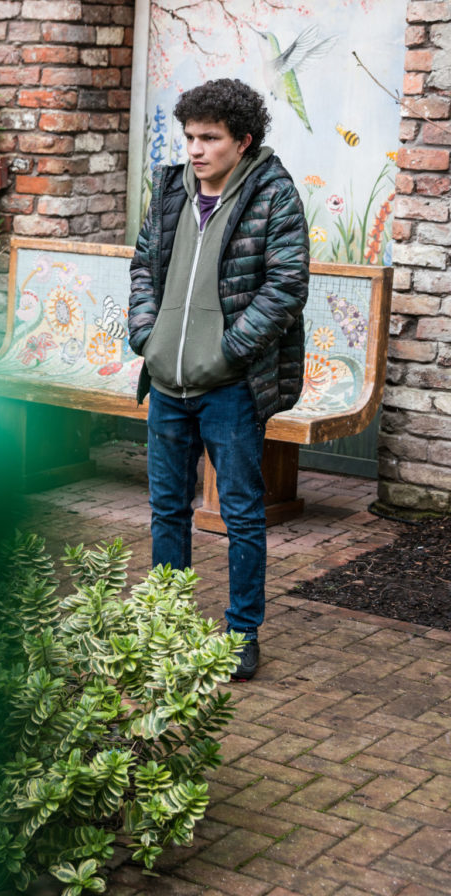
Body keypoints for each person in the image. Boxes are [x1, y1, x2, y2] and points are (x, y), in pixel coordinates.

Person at [126, 77, 309, 682]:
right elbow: (143, 268)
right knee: (167, 510)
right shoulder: (172, 192)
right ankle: (166, 620)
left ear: (243, 140)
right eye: (189, 137)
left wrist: (230, 353)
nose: (196, 150)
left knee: (240, 514)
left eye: (210, 138)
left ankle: (241, 633)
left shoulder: (274, 196)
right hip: (167, 383)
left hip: (230, 388)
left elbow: (286, 288)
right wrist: (146, 338)